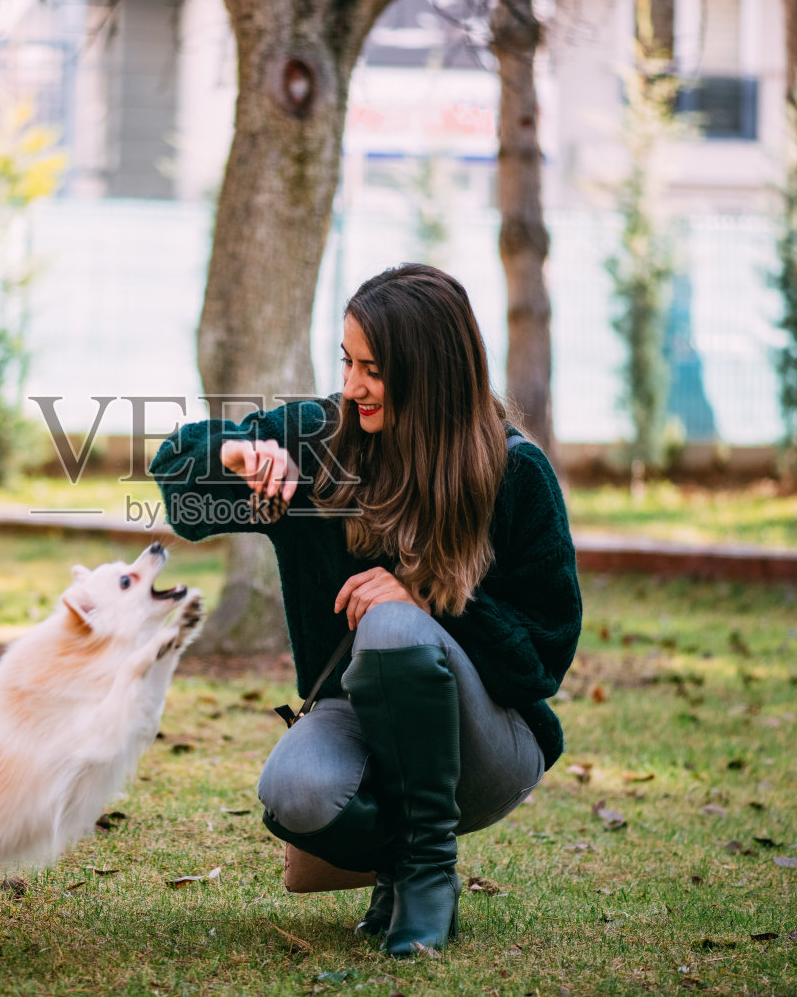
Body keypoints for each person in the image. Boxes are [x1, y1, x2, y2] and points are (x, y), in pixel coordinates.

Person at [149, 263, 581, 957]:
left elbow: (544, 658)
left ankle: (428, 874)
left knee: (392, 622)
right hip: (355, 716)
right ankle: (403, 861)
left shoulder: (516, 472)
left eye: (373, 370)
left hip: (486, 742)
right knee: (293, 792)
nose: (352, 385)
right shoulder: (319, 441)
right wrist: (232, 454)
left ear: (431, 371)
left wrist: (431, 602)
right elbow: (181, 493)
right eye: (347, 361)